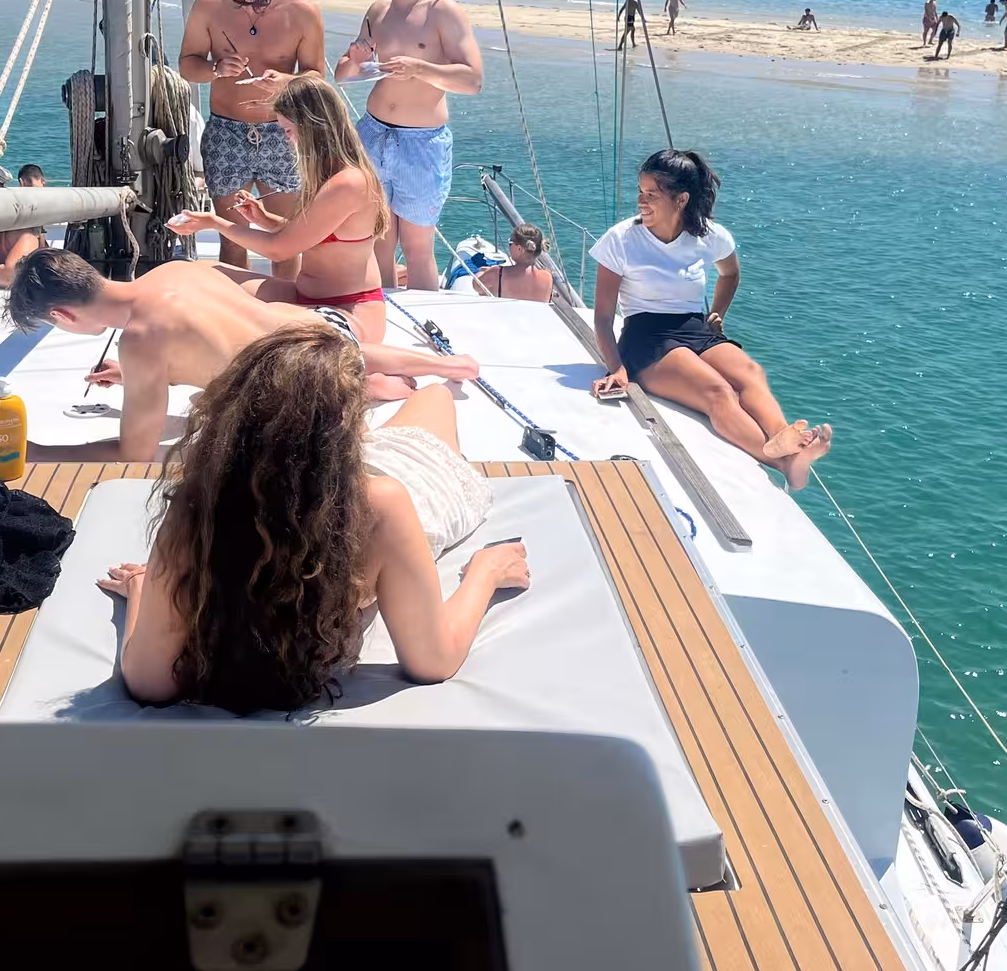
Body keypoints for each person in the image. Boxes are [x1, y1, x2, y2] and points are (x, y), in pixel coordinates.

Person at [97, 324, 530, 711]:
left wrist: (141, 591)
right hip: (389, 485)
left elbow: (148, 683)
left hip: (341, 480)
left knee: (429, 401)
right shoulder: (380, 508)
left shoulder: (198, 508)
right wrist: (485, 573)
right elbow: (433, 662)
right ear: (343, 433)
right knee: (436, 396)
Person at [5, 248, 480, 461]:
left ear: (64, 316)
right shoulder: (175, 270)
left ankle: (375, 385)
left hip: (314, 390)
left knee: (212, 407)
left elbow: (135, 453)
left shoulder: (141, 340)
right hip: (332, 330)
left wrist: (40, 452)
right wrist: (135, 374)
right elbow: (219, 336)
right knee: (289, 334)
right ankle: (437, 364)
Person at [589, 150, 831, 490]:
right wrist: (616, 367)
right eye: (640, 192)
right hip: (646, 338)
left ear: (682, 199)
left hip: (695, 328)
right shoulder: (621, 239)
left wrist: (718, 313)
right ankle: (785, 463)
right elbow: (602, 317)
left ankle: (781, 437)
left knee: (751, 372)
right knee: (719, 391)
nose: (641, 201)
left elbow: (730, 273)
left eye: (651, 194)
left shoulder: (708, 235)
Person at [170, 73, 390, 342]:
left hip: (345, 310)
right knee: (200, 275)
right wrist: (264, 220)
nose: (287, 140)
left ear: (311, 126)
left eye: (288, 130)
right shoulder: (329, 175)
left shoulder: (348, 183)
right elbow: (312, 235)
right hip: (310, 299)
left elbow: (279, 250)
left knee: (231, 320)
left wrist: (214, 222)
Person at [335, 0, 483, 292]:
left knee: (418, 247)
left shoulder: (442, 11)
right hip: (373, 132)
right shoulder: (377, 11)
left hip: (422, 142)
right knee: (378, 239)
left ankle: (425, 330)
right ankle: (382, 311)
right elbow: (343, 75)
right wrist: (354, 57)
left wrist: (420, 68)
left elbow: (472, 80)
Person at [178, 0, 328, 280]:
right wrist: (216, 69)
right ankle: (238, 311)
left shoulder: (303, 12)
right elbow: (187, 66)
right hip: (226, 133)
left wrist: (286, 81)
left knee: (285, 238)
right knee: (232, 237)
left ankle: (284, 316)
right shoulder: (209, 5)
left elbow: (316, 76)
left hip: (282, 134)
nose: (249, 5)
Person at [473, 224, 554, 303]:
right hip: (535, 317)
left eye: (510, 243)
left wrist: (483, 272)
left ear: (519, 249)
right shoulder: (548, 276)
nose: (509, 246)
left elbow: (476, 285)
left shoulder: (499, 273)